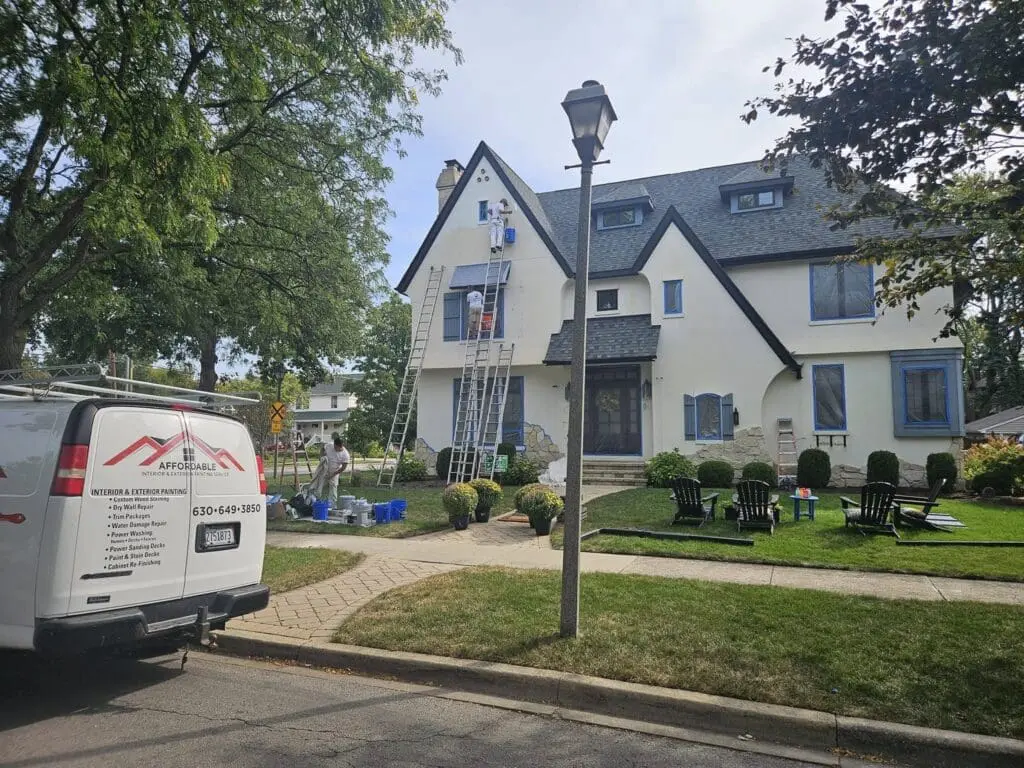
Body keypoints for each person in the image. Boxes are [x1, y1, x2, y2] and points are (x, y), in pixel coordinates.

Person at [323, 438, 350, 504]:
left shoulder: (345, 455)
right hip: (324, 469)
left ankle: (332, 504)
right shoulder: (330, 445)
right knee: (319, 485)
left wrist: (332, 475)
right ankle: (315, 501)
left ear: (341, 446)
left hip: (335, 471)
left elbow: (343, 468)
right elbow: (323, 448)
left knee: (333, 488)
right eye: (334, 446)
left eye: (337, 447)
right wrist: (321, 456)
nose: (335, 448)